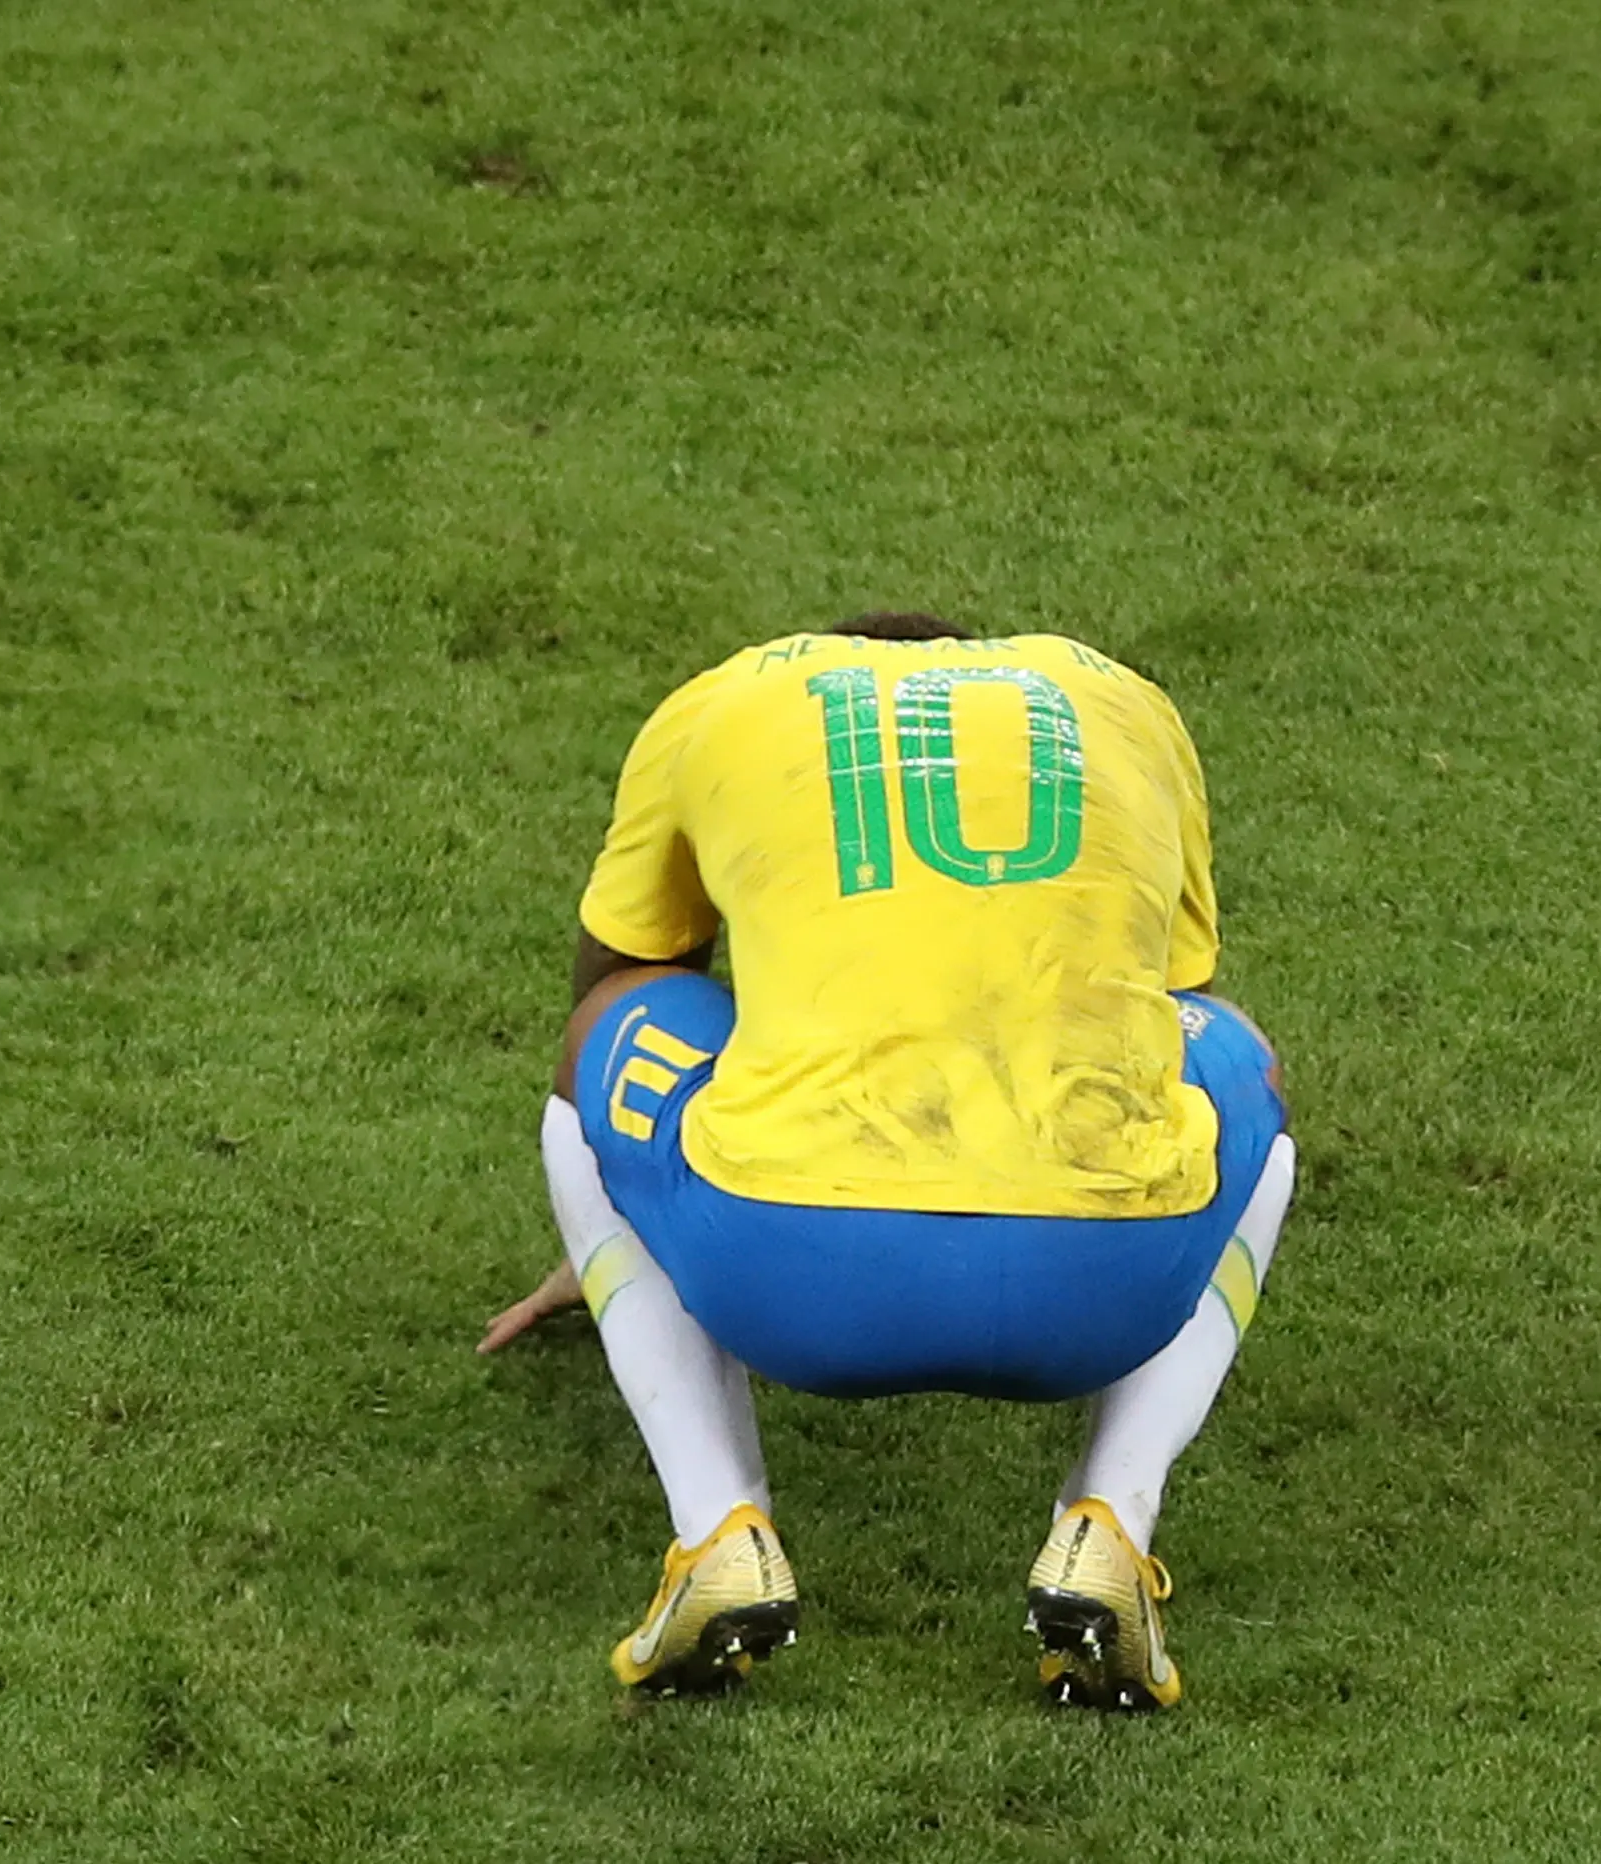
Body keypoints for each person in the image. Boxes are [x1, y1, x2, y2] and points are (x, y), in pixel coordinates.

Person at [476, 613, 1294, 1711]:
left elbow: (618, 974)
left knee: (618, 1019)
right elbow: (1172, 986)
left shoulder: (724, 699)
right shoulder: (1124, 702)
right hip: (1110, 1288)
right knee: (1234, 1055)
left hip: (787, 1277)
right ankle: (1109, 1521)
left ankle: (718, 1528)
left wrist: (623, 1224)